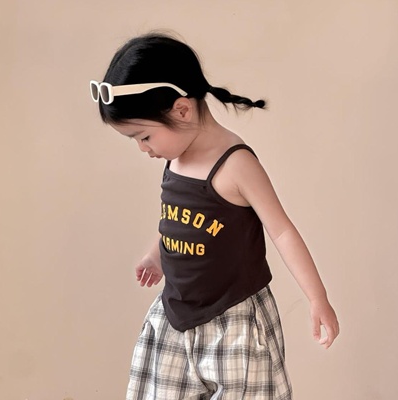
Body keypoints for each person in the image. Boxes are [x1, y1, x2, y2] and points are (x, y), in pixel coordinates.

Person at [90, 32, 339, 400]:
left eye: (144, 137)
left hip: (234, 321)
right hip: (176, 316)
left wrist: (317, 298)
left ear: (182, 110)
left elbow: (282, 231)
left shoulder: (235, 164)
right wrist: (156, 255)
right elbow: (179, 217)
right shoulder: (176, 156)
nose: (143, 149)